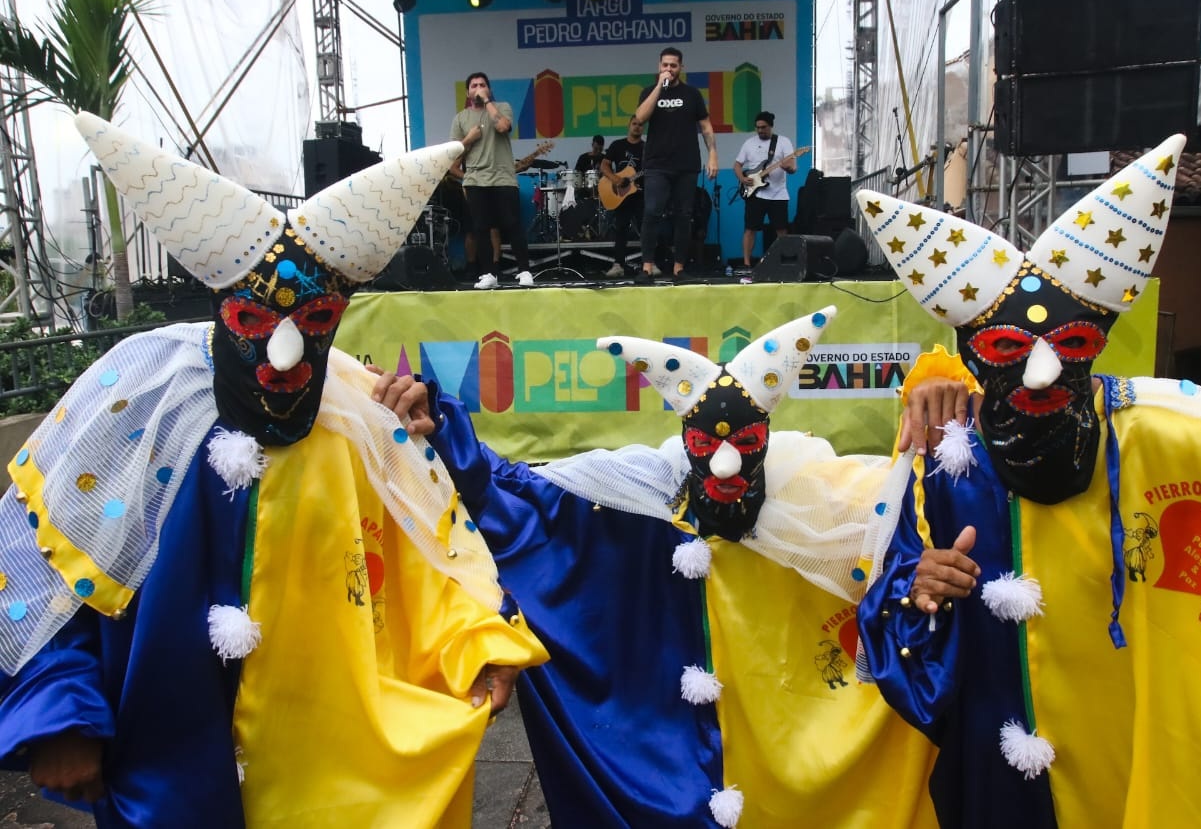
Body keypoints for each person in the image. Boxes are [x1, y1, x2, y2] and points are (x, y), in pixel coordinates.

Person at [0, 113, 547, 827]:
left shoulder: (359, 412)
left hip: (335, 773)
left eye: (314, 320)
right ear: (221, 310)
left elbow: (430, 552)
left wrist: (478, 643)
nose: (284, 354)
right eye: (255, 322)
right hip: (169, 768)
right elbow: (45, 562)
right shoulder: (143, 401)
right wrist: (57, 712)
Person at [372, 307, 973, 828]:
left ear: (765, 439)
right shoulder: (637, 498)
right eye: (708, 445)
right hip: (672, 764)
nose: (726, 462)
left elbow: (900, 512)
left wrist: (942, 401)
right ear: (687, 443)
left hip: (792, 759)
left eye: (744, 442)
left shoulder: (819, 502)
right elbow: (517, 497)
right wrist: (441, 429)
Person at [854, 134, 1201, 828]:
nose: (1042, 370)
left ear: (1100, 344)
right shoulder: (943, 471)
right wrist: (917, 586)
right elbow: (887, 615)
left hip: (1132, 756)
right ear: (973, 359)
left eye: (1071, 343)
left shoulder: (1163, 441)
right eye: (1006, 348)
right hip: (996, 777)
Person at [633, 46, 718, 284]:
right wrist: (660, 87)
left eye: (673, 65)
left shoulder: (692, 94)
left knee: (684, 215)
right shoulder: (649, 91)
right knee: (652, 212)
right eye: (665, 65)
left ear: (681, 67)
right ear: (659, 66)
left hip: (686, 163)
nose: (669, 69)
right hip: (657, 164)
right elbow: (640, 118)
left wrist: (713, 154)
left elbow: (706, 126)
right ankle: (647, 268)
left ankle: (679, 268)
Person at [450, 72, 534, 290]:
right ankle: (489, 273)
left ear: (489, 89)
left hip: (503, 176)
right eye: (474, 85)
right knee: (481, 228)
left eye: (482, 85)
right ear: (467, 92)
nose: (478, 88)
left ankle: (524, 271)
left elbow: (503, 126)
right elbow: (454, 152)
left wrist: (487, 101)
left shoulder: (502, 107)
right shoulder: (460, 118)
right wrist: (469, 139)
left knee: (512, 224)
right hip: (475, 179)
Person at [733, 111, 797, 270]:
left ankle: (784, 262)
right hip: (756, 193)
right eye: (758, 127)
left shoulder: (783, 142)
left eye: (764, 127)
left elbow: (793, 168)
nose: (760, 130)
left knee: (781, 229)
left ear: (771, 126)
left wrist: (787, 167)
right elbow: (737, 165)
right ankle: (746, 264)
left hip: (778, 194)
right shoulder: (749, 143)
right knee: (750, 229)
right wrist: (742, 179)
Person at [600, 115, 645, 279]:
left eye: (640, 125)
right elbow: (604, 165)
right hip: (621, 195)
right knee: (620, 229)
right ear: (629, 125)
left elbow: (652, 169)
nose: (637, 127)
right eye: (634, 124)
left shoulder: (646, 148)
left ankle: (649, 264)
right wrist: (616, 180)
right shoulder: (617, 145)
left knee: (646, 229)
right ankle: (618, 265)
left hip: (640, 194)